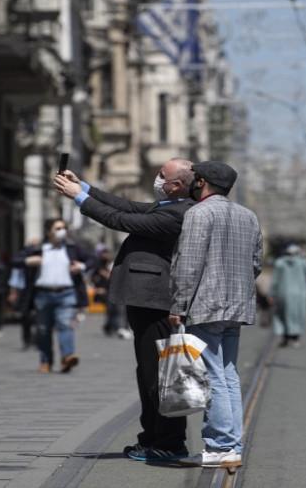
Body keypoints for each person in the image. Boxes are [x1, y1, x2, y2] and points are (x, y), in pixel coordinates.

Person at [53, 157, 195, 462]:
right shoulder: (171, 206)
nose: (156, 179)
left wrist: (78, 197)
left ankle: (168, 442)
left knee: (159, 373)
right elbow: (126, 206)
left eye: (162, 175)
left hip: (155, 299)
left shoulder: (179, 214)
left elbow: (122, 221)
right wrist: (85, 187)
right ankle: (155, 438)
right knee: (149, 371)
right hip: (147, 299)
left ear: (177, 185)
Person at [169, 161, 262, 469]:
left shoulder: (199, 213)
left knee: (213, 376)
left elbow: (189, 264)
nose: (193, 182)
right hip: (236, 307)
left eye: (195, 178)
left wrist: (178, 305)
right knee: (228, 374)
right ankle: (231, 445)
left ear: (203, 182)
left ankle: (221, 445)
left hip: (206, 305)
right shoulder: (248, 216)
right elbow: (256, 263)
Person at [24, 219, 94, 374]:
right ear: (49, 231)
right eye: (58, 228)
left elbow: (92, 259)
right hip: (43, 294)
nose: (62, 231)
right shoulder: (39, 248)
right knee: (43, 329)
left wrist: (80, 266)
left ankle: (67, 357)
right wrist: (29, 260)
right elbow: (17, 260)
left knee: (65, 325)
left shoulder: (71, 248)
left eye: (63, 228)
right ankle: (45, 360)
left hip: (66, 293)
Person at [270, 244, 306, 346]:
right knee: (298, 315)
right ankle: (296, 338)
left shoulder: (279, 263)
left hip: (283, 292)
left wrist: (271, 293)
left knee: (283, 315)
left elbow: (275, 280)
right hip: (300, 293)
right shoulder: (303, 262)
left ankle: (285, 337)